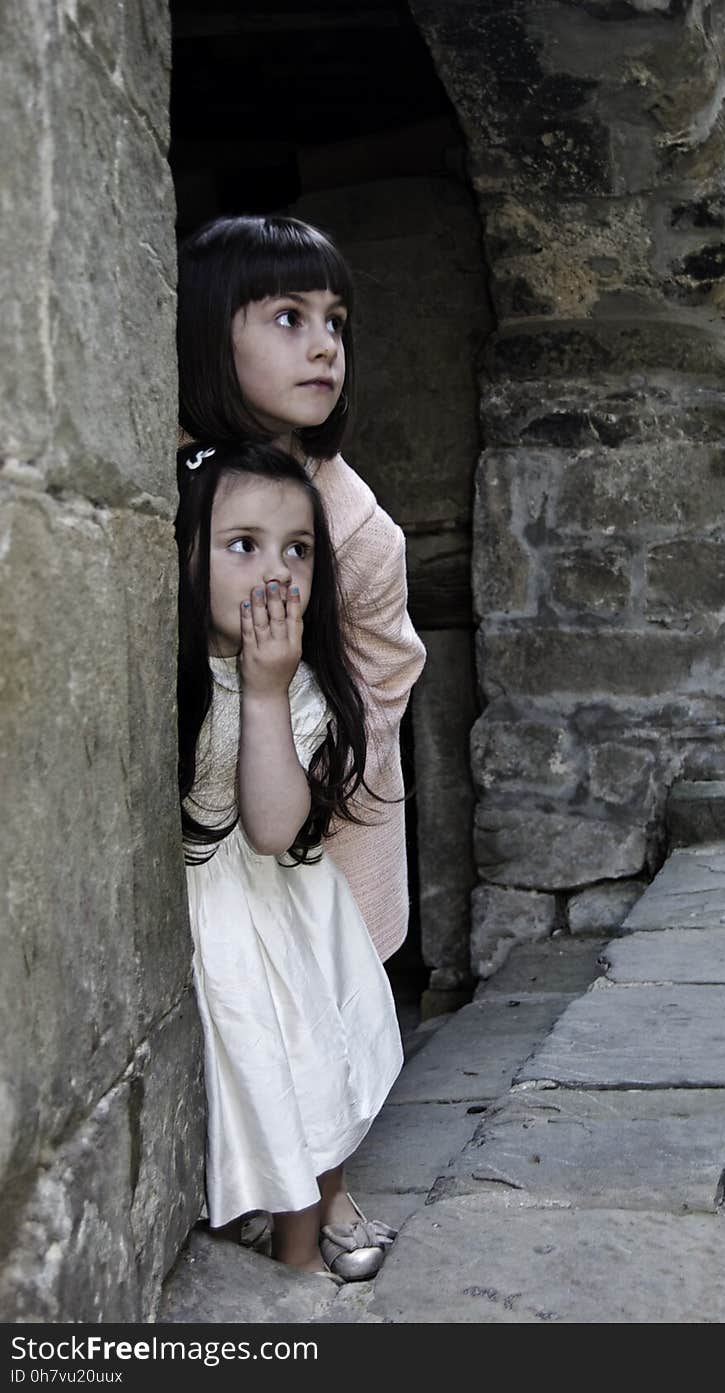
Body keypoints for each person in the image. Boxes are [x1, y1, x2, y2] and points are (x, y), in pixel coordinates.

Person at [176, 438, 403, 1279]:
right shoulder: (178, 675)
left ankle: (302, 1263)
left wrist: (265, 690)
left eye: (297, 550)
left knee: (321, 1069)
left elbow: (272, 827)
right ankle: (276, 1241)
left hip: (290, 913)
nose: (276, 571)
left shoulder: (298, 685)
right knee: (268, 1087)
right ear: (187, 555)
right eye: (244, 546)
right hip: (226, 926)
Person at [177, 214, 426, 965]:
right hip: (194, 838)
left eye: (335, 323)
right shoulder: (165, 481)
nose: (325, 345)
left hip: (309, 834)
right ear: (206, 333)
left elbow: (387, 677)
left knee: (319, 1044)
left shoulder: (360, 534)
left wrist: (308, 778)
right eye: (290, 317)